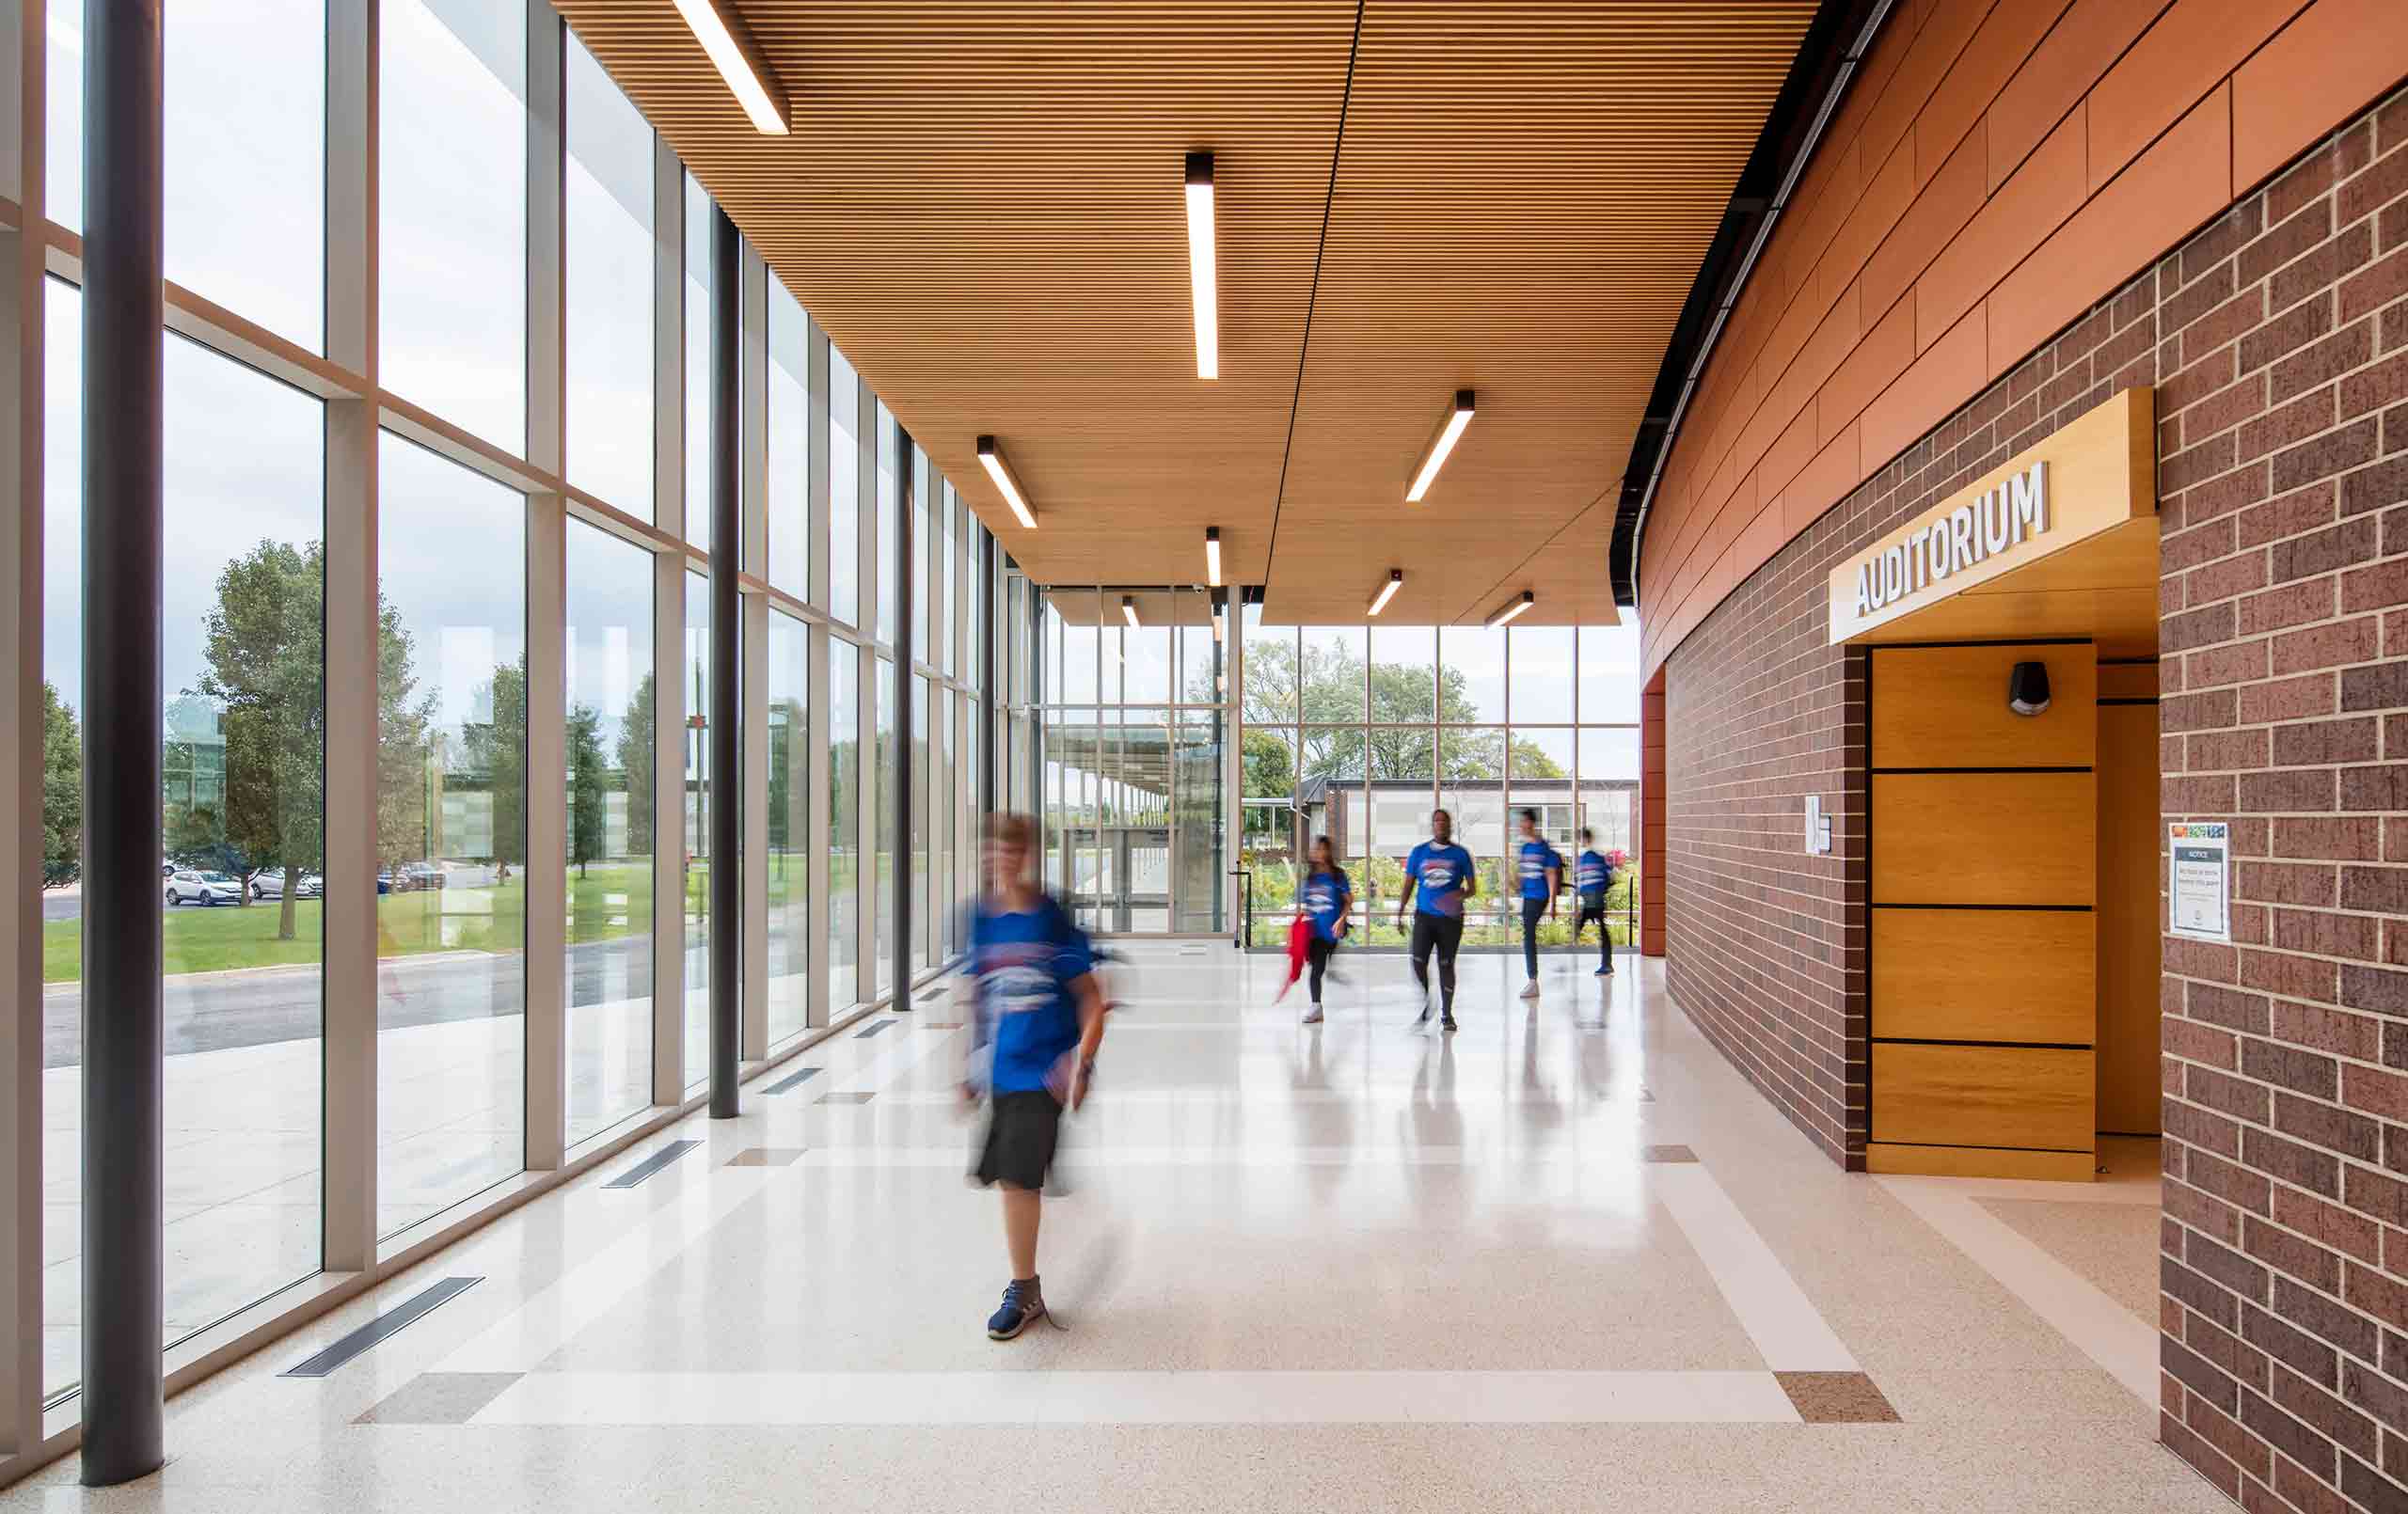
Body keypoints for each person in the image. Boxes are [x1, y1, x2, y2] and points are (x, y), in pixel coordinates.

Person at [958, 812, 1107, 1341]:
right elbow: (979, 992)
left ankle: (1024, 1289)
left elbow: (1091, 997)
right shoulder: (980, 918)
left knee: (1018, 1180)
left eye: (1011, 849)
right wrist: (969, 1068)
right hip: (1001, 1067)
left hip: (1043, 1071)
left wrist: (1080, 1063)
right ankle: (1027, 1281)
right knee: (1013, 1179)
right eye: (992, 849)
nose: (1001, 859)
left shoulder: (1051, 919)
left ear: (1027, 856)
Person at [1396, 808, 1475, 1033]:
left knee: (1446, 965)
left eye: (1445, 821)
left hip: (1450, 919)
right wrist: (1400, 912)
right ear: (1433, 825)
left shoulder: (1461, 854)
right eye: (1437, 821)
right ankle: (1428, 999)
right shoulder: (1419, 852)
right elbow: (1408, 884)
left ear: (1450, 826)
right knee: (1418, 962)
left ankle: (1447, 1014)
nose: (1441, 824)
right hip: (1424, 917)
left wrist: (1457, 895)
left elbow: (1472, 889)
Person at [1296, 835, 1352, 1025]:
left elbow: (1348, 900)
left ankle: (1331, 971)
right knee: (1316, 970)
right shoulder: (1310, 878)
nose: (1318, 852)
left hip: (1333, 931)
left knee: (1320, 968)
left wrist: (1342, 919)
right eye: (1316, 849)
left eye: (1322, 848)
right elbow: (1306, 905)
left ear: (1328, 851)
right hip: (1315, 933)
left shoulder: (1338, 875)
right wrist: (1301, 925)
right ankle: (1316, 1006)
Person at [1513, 809, 1562, 1000]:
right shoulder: (1525, 848)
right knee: (1528, 934)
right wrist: (1515, 882)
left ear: (1531, 823)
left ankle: (1533, 981)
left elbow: (1551, 876)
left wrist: (1553, 904)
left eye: (1523, 822)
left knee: (1528, 935)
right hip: (1528, 897)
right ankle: (1532, 980)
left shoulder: (1544, 848)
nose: (1520, 826)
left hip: (1539, 896)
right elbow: (1522, 875)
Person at [1573, 828, 1617, 976]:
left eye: (1582, 839)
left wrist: (1582, 890)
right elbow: (1607, 876)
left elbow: (1585, 879)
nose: (1580, 842)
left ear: (1586, 840)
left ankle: (1607, 965)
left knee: (1585, 926)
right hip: (1593, 897)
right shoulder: (1592, 857)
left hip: (1593, 898)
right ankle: (1606, 964)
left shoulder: (1588, 858)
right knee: (1598, 929)